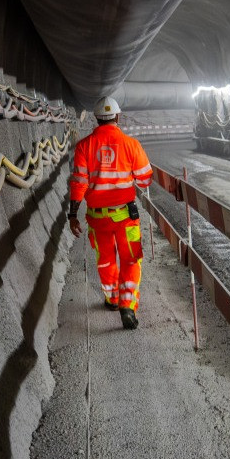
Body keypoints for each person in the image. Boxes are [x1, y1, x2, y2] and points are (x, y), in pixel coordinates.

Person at [68, 96, 153, 329]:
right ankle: (127, 305)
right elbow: (146, 179)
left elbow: (78, 183)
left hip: (97, 218)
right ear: (118, 117)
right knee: (131, 259)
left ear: (96, 119)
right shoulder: (131, 144)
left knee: (106, 261)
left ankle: (112, 299)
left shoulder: (84, 146)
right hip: (126, 217)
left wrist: (72, 214)